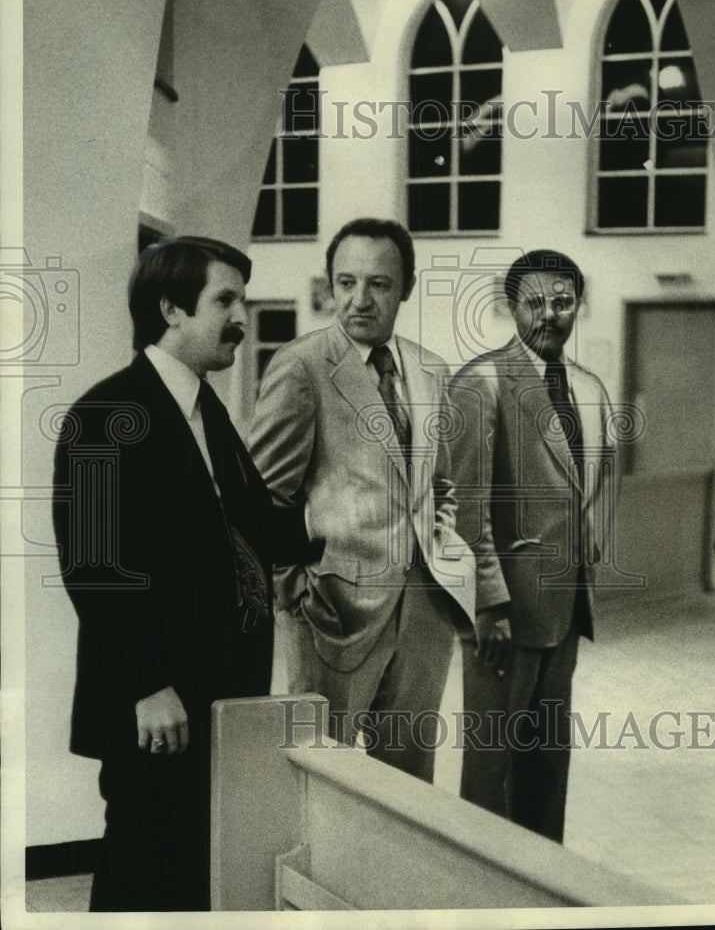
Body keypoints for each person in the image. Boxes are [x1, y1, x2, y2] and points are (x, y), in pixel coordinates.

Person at [52, 236, 307, 911]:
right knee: (141, 873)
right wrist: (147, 684)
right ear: (171, 309)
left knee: (194, 874)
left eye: (242, 300)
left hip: (216, 695)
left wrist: (334, 529)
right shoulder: (107, 414)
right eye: (225, 300)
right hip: (158, 706)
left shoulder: (207, 413)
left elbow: (246, 529)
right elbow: (94, 566)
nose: (241, 317)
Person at [247, 217, 504, 782]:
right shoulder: (302, 366)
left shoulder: (431, 370)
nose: (359, 300)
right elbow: (260, 500)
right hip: (333, 615)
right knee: (323, 777)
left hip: (424, 613)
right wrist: (297, 591)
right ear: (330, 285)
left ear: (406, 287)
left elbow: (441, 486)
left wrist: (450, 558)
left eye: (379, 285)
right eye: (346, 282)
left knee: (408, 784)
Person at [448, 249, 618, 843]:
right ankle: (482, 888)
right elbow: (464, 507)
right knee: (491, 769)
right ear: (511, 306)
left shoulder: (590, 390)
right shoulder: (482, 382)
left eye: (563, 301)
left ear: (578, 305)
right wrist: (488, 603)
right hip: (504, 616)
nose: (550, 314)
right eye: (535, 302)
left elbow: (586, 492)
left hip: (564, 607)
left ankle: (541, 883)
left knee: (548, 762)